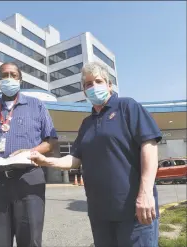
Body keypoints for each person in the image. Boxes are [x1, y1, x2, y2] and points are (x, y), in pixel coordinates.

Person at [29, 61, 162, 247]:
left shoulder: (127, 107)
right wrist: (45, 161)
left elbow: (149, 146)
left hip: (134, 210)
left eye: (98, 81)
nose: (93, 87)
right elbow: (75, 159)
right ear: (84, 92)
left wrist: (146, 193)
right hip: (100, 214)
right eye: (88, 84)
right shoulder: (87, 124)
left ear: (109, 85)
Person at [0, 62, 58, 247]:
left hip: (29, 180)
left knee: (30, 239)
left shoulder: (37, 106)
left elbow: (51, 141)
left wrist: (30, 152)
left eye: (13, 75)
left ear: (20, 80)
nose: (9, 79)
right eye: (4, 75)